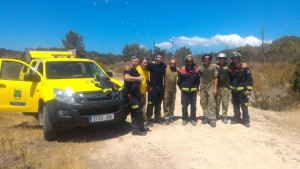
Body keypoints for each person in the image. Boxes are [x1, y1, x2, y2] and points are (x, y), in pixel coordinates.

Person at [228, 52, 253, 128]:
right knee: (235, 105)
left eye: (236, 58)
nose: (235, 60)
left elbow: (250, 80)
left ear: (239, 59)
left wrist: (248, 90)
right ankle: (236, 118)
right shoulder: (231, 68)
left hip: (242, 92)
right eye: (233, 58)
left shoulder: (245, 68)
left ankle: (246, 120)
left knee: (244, 106)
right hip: (234, 91)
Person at [123, 56, 146, 135]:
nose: (136, 62)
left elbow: (137, 85)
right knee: (137, 111)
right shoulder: (128, 69)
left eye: (137, 61)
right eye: (135, 61)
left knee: (138, 112)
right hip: (130, 96)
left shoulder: (136, 70)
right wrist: (138, 78)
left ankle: (139, 128)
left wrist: (141, 95)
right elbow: (126, 78)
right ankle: (135, 130)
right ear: (131, 61)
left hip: (137, 95)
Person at [177, 55, 200, 126]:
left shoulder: (196, 71)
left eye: (190, 61)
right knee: (184, 106)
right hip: (184, 92)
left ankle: (193, 119)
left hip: (193, 92)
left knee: (193, 106)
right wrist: (182, 88)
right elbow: (179, 82)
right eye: (188, 61)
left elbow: (198, 81)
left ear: (192, 62)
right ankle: (185, 118)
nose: (189, 62)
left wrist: (197, 89)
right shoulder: (182, 71)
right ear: (186, 62)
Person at [198, 54, 218, 128]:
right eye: (205, 58)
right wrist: (198, 89)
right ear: (203, 59)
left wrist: (215, 88)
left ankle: (212, 119)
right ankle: (206, 117)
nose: (206, 59)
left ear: (210, 59)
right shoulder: (200, 68)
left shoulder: (213, 67)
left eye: (208, 58)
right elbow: (196, 78)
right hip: (203, 89)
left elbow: (216, 78)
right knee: (203, 104)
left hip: (211, 88)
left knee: (212, 104)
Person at [146, 53, 166, 126]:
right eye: (158, 57)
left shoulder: (163, 65)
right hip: (152, 87)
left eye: (160, 57)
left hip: (160, 87)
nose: (159, 59)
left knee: (158, 103)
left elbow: (169, 69)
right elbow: (143, 68)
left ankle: (157, 118)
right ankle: (149, 118)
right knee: (151, 103)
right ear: (155, 58)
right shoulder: (151, 65)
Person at [215, 53, 230, 124]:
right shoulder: (215, 66)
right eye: (220, 58)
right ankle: (216, 115)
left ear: (225, 59)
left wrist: (244, 64)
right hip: (217, 87)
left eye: (223, 58)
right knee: (217, 102)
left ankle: (224, 116)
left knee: (225, 102)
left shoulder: (229, 65)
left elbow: (226, 69)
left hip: (225, 87)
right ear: (218, 59)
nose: (222, 60)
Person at [135, 58, 150, 130]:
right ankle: (142, 123)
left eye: (146, 63)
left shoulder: (146, 71)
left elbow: (147, 80)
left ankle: (144, 123)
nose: (145, 64)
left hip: (143, 93)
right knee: (140, 108)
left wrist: (148, 87)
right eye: (144, 63)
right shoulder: (137, 68)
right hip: (138, 93)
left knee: (144, 107)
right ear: (141, 62)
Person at [163, 59, 179, 125]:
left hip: (173, 90)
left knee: (172, 104)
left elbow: (182, 73)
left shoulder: (177, 71)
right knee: (166, 103)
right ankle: (166, 118)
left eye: (174, 63)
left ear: (175, 64)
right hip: (166, 89)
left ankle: (171, 116)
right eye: (171, 63)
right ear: (169, 63)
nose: (172, 64)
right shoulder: (165, 69)